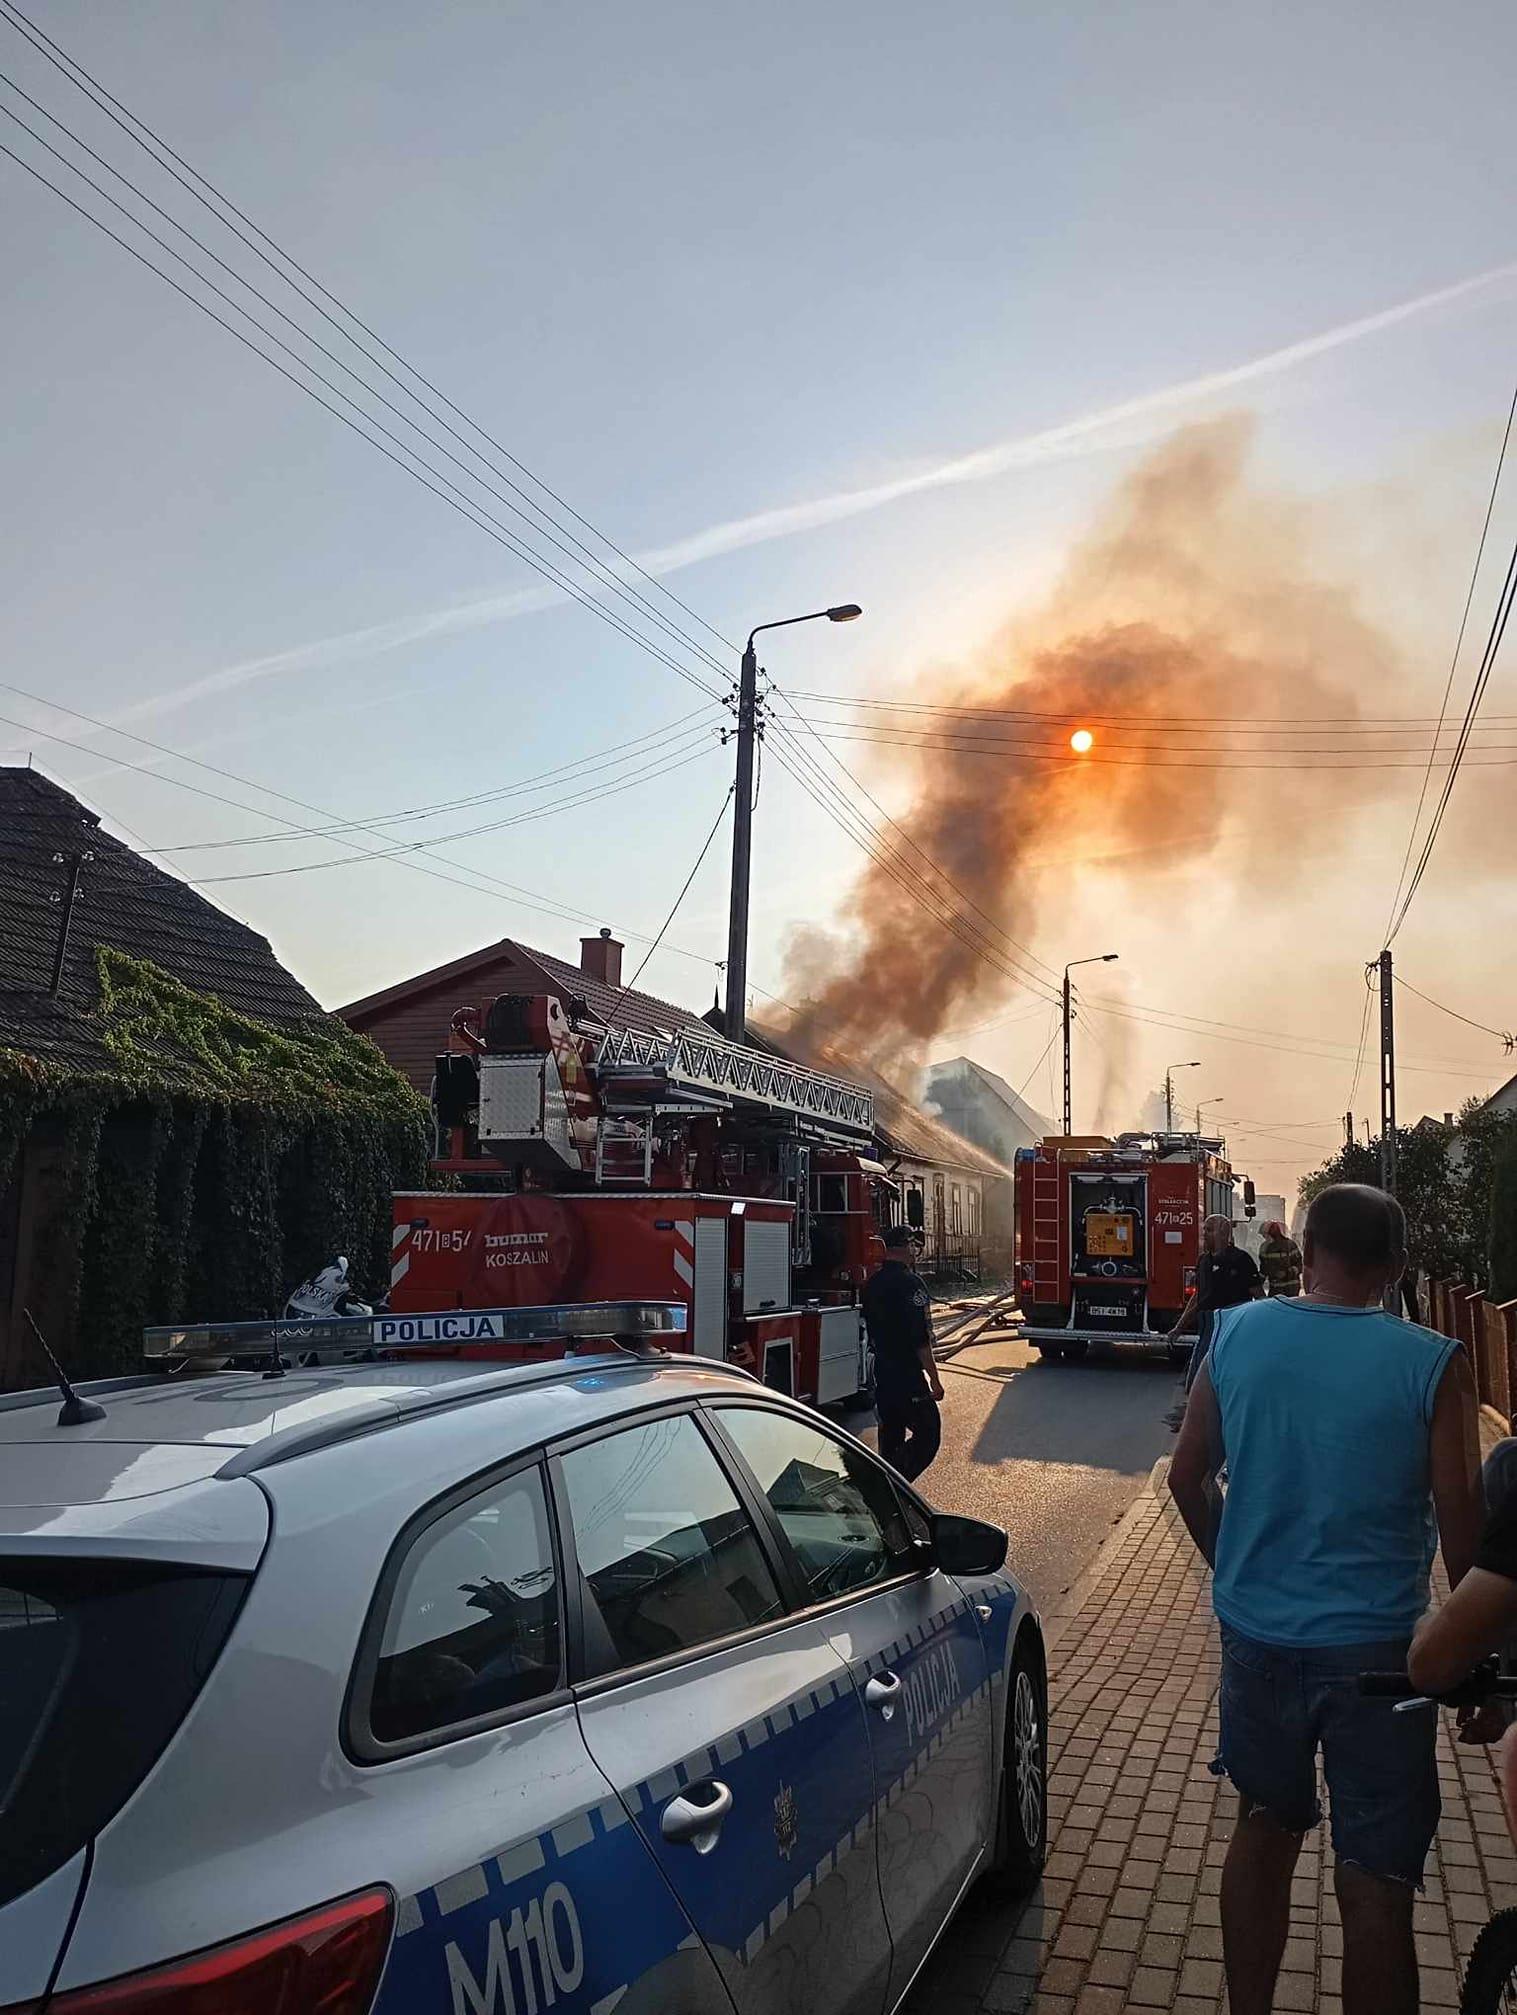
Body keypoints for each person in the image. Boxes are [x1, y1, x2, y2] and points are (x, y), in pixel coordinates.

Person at [1168, 1183, 1482, 2015]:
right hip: (1384, 1658)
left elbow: (1185, 1476)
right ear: (1396, 1267)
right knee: (1374, 1880)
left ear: (1304, 1252)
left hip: (1258, 1641)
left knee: (1261, 1824)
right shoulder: (1434, 1362)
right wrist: (1477, 1663)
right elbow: (1463, 1531)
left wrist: (1232, 1568)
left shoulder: (1235, 1332)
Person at [861, 1223, 945, 1482]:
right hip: (908, 1377)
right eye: (913, 1245)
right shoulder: (911, 1284)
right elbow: (920, 1339)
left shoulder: (872, 1284)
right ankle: (891, 1486)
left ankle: (886, 1490)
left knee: (891, 1438)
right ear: (905, 1247)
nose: (915, 1251)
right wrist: (934, 1379)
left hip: (882, 1374)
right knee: (928, 1434)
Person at [1162, 1214, 1262, 1426]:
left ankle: (1224, 1420)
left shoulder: (1241, 1260)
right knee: (1196, 1378)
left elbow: (1259, 1295)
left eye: (1209, 1229)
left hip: (1232, 1329)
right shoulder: (1203, 1261)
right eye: (1204, 1229)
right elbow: (1198, 1297)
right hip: (1207, 1328)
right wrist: (1179, 1327)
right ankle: (1196, 1420)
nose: (1204, 1234)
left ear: (1224, 1233)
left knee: (1227, 1380)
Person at [1257, 1220, 1303, 1299]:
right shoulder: (1264, 1248)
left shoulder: (1290, 1245)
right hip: (1275, 1289)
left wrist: (1287, 1273)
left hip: (1291, 1289)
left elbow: (1300, 1265)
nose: (1265, 1237)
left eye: (1265, 1235)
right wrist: (1257, 1284)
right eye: (1264, 1235)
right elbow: (1264, 1269)